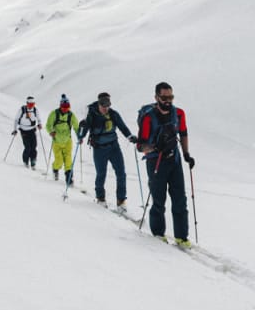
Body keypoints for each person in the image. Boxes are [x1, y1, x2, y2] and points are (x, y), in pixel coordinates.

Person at [136, 82, 194, 246]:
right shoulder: (148, 118)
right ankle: (158, 233)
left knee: (180, 199)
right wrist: (154, 146)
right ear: (156, 97)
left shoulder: (179, 114)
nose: (168, 101)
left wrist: (186, 154)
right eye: (164, 97)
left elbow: (183, 133)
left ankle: (181, 237)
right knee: (158, 199)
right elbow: (140, 146)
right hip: (156, 161)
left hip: (174, 160)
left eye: (171, 97)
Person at [78, 92, 137, 207]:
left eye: (108, 105)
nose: (106, 108)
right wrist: (81, 130)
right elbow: (82, 134)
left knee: (121, 173)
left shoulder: (113, 114)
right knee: (101, 174)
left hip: (114, 147)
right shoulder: (91, 115)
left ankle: (121, 201)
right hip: (99, 149)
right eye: (103, 105)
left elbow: (122, 127)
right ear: (98, 103)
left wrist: (130, 136)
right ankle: (100, 197)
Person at [45, 95, 80, 183]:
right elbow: (48, 125)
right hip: (57, 141)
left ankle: (69, 178)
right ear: (60, 106)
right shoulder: (54, 113)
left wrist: (80, 136)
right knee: (59, 161)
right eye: (64, 107)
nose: (65, 109)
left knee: (68, 160)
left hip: (68, 141)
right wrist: (51, 132)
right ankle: (55, 169)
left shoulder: (71, 115)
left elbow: (76, 126)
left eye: (67, 107)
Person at [12, 96, 41, 169]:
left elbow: (39, 118)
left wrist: (39, 124)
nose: (31, 106)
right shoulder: (22, 110)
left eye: (32, 104)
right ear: (27, 103)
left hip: (32, 130)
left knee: (34, 146)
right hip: (24, 130)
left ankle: (33, 161)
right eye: (30, 104)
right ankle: (25, 161)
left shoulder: (35, 110)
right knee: (27, 147)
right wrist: (15, 129)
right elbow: (16, 120)